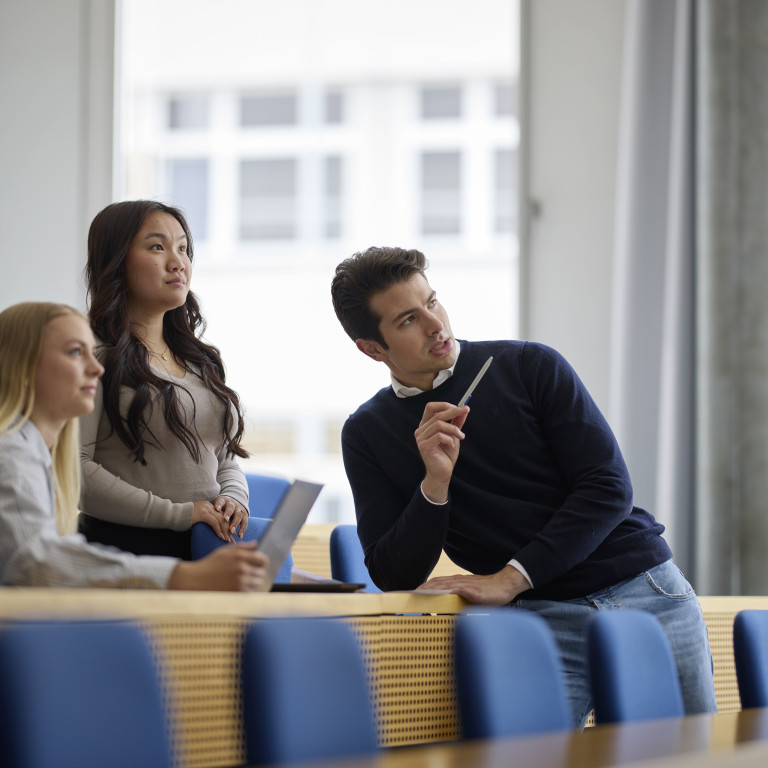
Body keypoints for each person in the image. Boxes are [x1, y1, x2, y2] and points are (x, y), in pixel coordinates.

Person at [330, 246, 717, 727]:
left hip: (644, 591)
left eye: (433, 301)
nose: (435, 324)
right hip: (540, 623)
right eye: (409, 319)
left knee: (692, 757)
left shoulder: (529, 365)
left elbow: (608, 487)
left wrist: (510, 579)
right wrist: (434, 483)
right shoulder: (367, 433)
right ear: (372, 348)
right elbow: (393, 573)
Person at [0, 302, 269, 590]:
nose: (95, 368)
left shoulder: (34, 452)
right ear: (21, 364)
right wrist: (181, 575)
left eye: (92, 352)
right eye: (75, 352)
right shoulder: (11, 454)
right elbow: (31, 562)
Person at [79, 200, 250, 559]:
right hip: (127, 553)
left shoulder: (201, 359)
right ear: (116, 260)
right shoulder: (91, 356)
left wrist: (234, 498)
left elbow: (221, 457)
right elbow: (74, 469)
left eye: (184, 248)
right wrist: (179, 514)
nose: (178, 262)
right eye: (157, 247)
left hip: (208, 548)